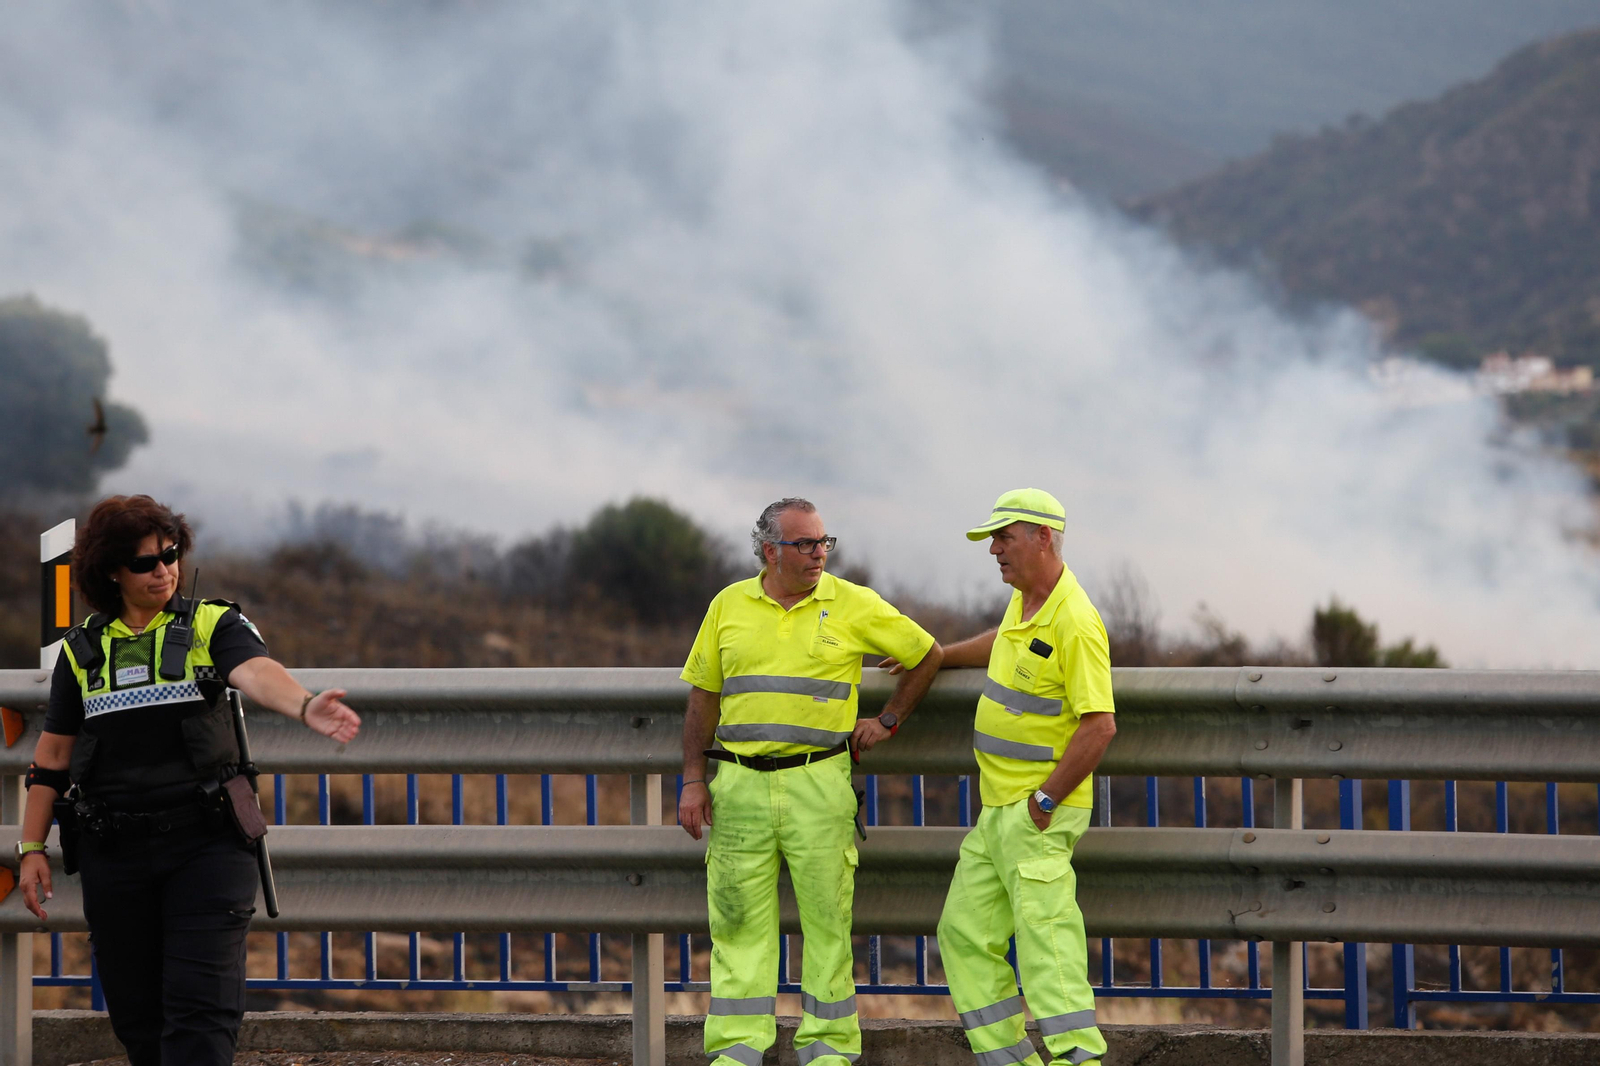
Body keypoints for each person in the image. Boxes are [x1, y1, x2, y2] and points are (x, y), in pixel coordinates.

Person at [15, 495, 361, 1066]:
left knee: (200, 1017)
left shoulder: (211, 623)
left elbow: (256, 671)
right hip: (114, 855)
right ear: (111, 572)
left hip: (207, 846)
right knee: (138, 1021)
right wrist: (31, 848)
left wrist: (304, 705)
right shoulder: (82, 650)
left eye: (170, 555)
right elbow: (51, 757)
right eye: (145, 562)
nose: (164, 571)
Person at [678, 497, 944, 1066]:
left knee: (828, 923)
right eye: (805, 543)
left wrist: (888, 720)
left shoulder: (853, 603)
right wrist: (692, 780)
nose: (819, 553)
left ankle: (828, 1050)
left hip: (819, 781)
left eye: (824, 542)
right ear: (769, 551)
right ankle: (736, 1052)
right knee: (737, 925)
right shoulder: (728, 605)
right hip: (739, 785)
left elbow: (927, 654)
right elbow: (703, 698)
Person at [888, 489, 1116, 1066]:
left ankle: (1080, 1060)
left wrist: (1044, 802)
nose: (993, 550)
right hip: (999, 813)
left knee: (1048, 950)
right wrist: (938, 656)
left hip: (1036, 814)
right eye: (992, 540)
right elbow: (1002, 645)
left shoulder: (1075, 620)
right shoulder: (1027, 603)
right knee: (963, 935)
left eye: (1003, 538)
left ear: (1043, 537)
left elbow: (1099, 726)